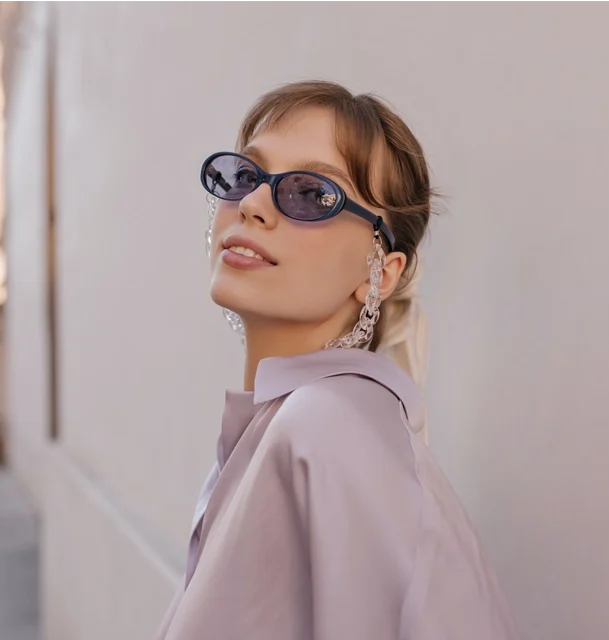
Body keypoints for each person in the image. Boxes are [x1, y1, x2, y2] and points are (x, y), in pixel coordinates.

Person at [155, 80, 519, 640]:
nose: (251, 205)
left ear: (383, 270)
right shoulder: (279, 427)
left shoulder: (325, 427)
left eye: (309, 194)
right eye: (244, 175)